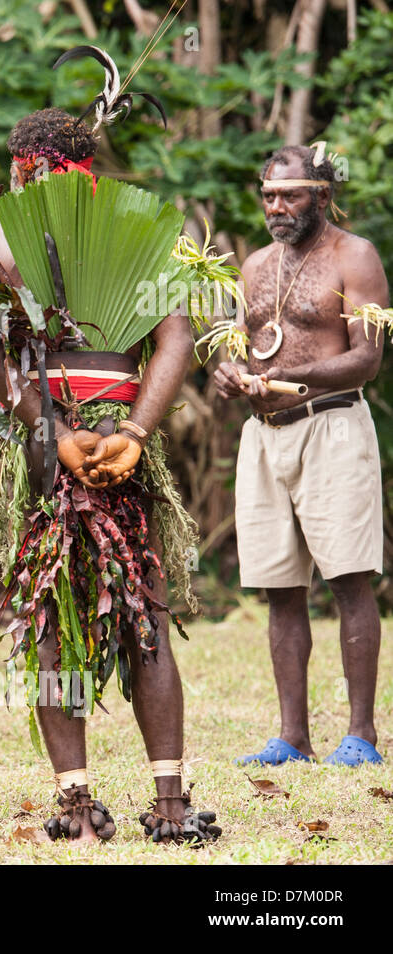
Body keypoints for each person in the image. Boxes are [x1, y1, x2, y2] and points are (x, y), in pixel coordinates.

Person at [0, 88, 219, 844]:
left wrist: (56, 432)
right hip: (116, 431)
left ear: (20, 170)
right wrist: (133, 431)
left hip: (55, 442)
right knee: (143, 615)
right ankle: (166, 805)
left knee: (55, 623)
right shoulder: (139, 222)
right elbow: (174, 343)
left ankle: (79, 807)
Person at [214, 145, 388, 767]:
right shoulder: (254, 265)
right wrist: (229, 376)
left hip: (332, 428)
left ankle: (361, 735)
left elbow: (368, 356)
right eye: (268, 196)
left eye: (289, 195)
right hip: (265, 438)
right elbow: (231, 353)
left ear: (321, 194)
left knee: (347, 580)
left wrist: (297, 380)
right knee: (279, 588)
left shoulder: (355, 255)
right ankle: (292, 737)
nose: (276, 208)